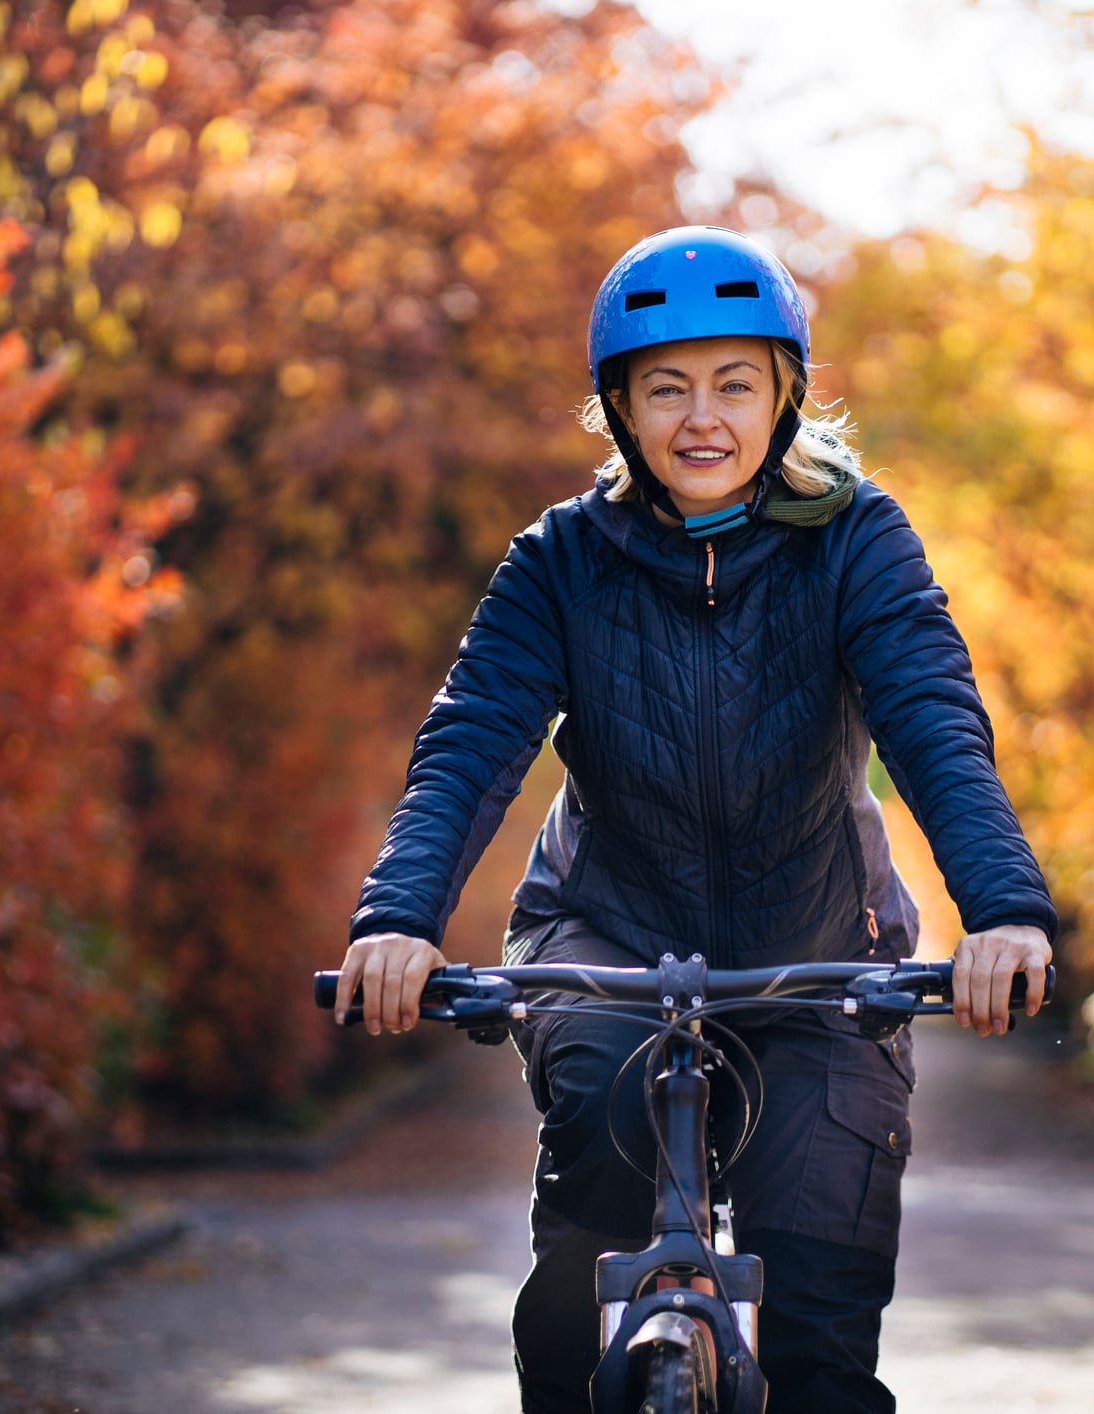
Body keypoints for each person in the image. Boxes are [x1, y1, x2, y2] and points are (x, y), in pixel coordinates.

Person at [334, 226, 1057, 1413]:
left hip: (823, 956)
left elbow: (933, 720)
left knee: (822, 1328)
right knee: (585, 1250)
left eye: (734, 383)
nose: (702, 418)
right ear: (619, 409)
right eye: (666, 387)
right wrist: (398, 919)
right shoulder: (558, 562)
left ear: (786, 397)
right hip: (606, 939)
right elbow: (470, 745)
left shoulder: (858, 541)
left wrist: (1006, 912)